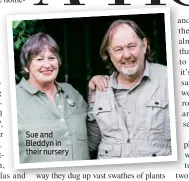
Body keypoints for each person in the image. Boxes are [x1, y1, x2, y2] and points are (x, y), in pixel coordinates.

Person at [17, 32, 106, 163]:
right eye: (39, 59)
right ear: (26, 66)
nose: (47, 65)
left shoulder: (71, 92)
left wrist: (97, 93)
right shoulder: (12, 100)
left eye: (51, 58)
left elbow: (91, 140)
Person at [87, 20, 171, 159]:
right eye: (118, 49)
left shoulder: (171, 79)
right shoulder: (99, 90)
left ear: (144, 46)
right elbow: (88, 144)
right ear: (109, 53)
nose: (126, 55)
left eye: (131, 46)